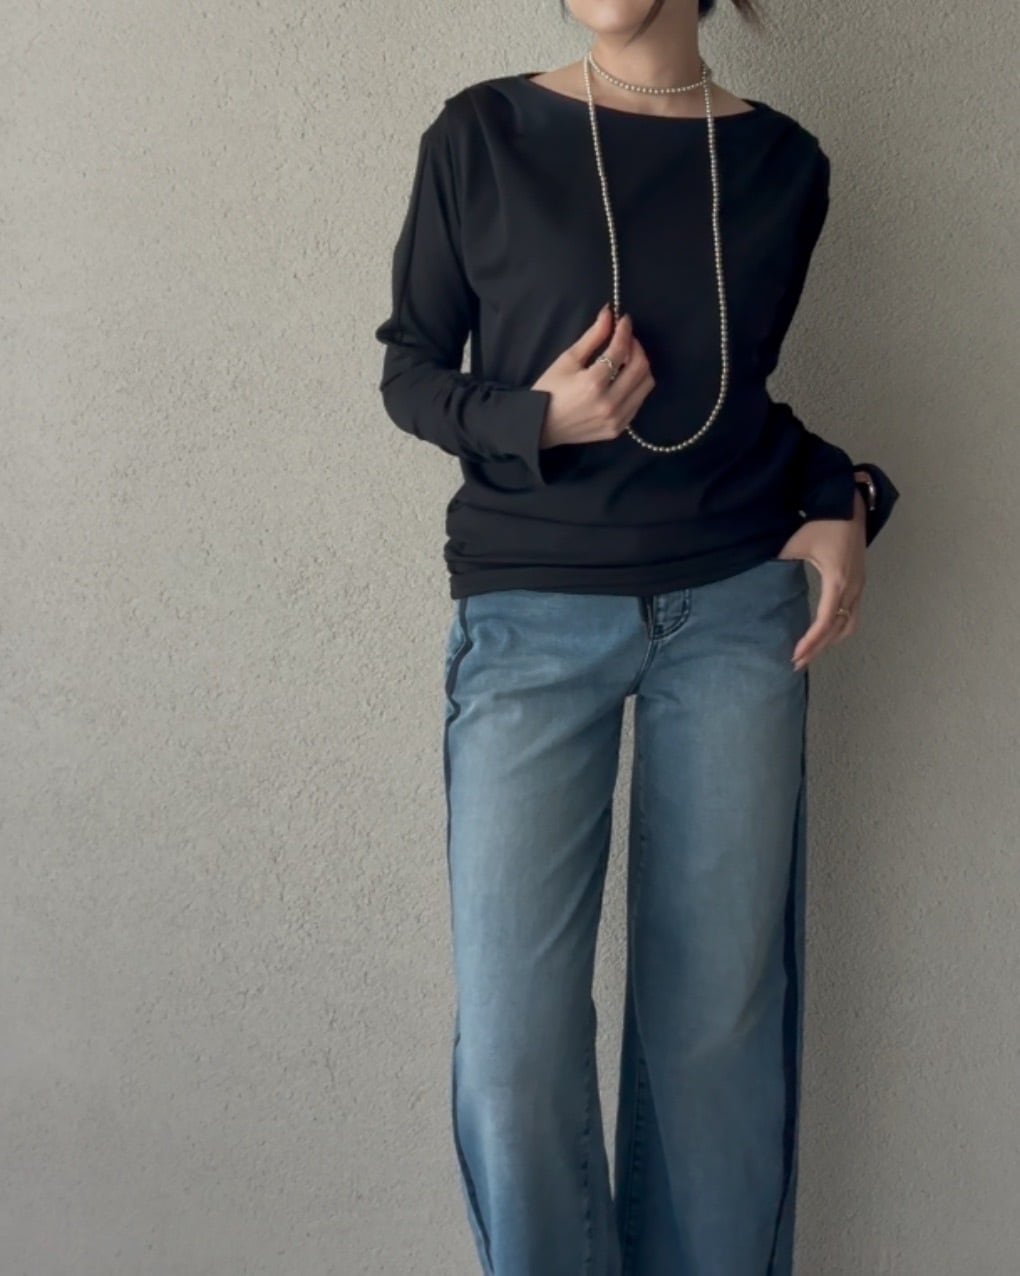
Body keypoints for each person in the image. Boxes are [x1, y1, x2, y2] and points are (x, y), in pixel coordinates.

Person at [373, 1, 900, 1272]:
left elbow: (738, 406)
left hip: (733, 615)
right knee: (515, 1049)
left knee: (716, 1030)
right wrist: (534, 420)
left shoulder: (782, 163)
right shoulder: (484, 133)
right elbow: (409, 370)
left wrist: (842, 497)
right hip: (529, 614)